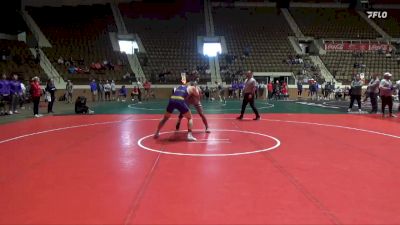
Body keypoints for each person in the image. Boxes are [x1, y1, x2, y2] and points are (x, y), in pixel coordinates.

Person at [154, 75, 199, 141]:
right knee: (190, 118)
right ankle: (189, 135)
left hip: (171, 100)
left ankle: (157, 132)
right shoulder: (192, 87)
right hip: (180, 100)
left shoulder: (179, 86)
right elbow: (197, 95)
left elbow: (175, 92)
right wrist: (196, 88)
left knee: (165, 118)